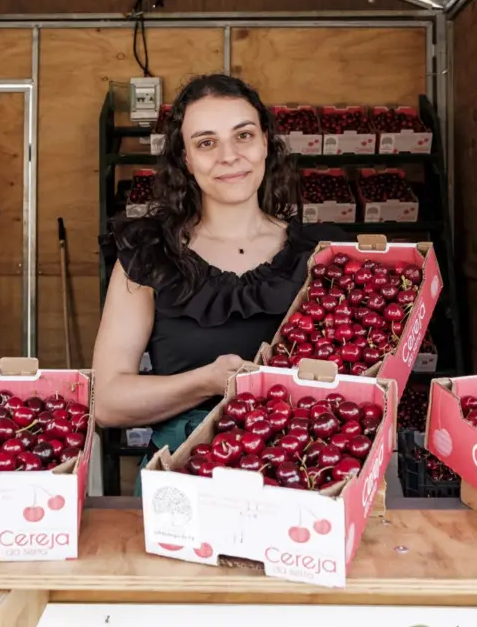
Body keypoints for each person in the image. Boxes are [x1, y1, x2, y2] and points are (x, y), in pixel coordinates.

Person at [92, 74, 346, 489]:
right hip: (187, 482)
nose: (229, 156)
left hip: (307, 476)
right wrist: (206, 382)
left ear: (265, 142)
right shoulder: (150, 253)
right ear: (186, 159)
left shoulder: (325, 256)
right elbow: (107, 400)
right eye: (207, 142)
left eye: (243, 135)